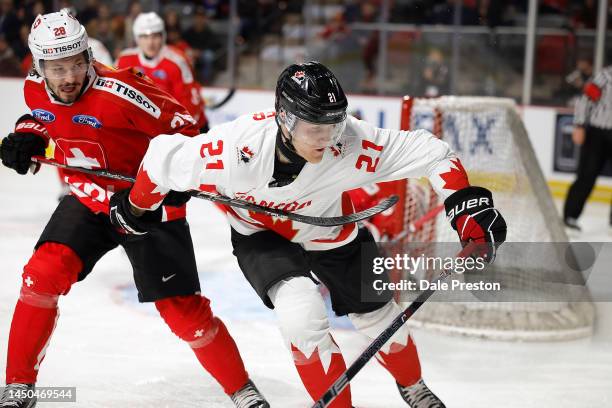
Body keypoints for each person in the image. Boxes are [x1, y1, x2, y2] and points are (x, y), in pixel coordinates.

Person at [112, 61, 507, 408]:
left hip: (331, 229)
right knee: (301, 317)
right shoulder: (232, 150)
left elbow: (432, 152)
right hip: (261, 235)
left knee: (378, 314)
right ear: (284, 118)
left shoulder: (351, 141)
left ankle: (414, 387)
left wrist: (467, 206)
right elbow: (162, 158)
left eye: (333, 125)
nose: (327, 138)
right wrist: (135, 208)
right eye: (314, 127)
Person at [0, 11, 268, 408]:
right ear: (39, 66)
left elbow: (187, 132)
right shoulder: (35, 88)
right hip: (89, 199)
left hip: (147, 203)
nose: (69, 76)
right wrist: (28, 135)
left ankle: (241, 387)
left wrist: (178, 181)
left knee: (184, 314)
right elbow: (47, 120)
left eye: (77, 62)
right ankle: (18, 385)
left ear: (89, 56)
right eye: (57, 68)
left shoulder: (123, 91)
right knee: (42, 276)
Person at [116, 12, 208, 133]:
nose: (150, 43)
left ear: (163, 36)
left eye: (155, 36)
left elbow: (190, 104)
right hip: (150, 128)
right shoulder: (124, 60)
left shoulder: (177, 61)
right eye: (144, 37)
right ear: (137, 38)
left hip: (187, 128)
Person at [563, 64, 612, 233]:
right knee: (587, 175)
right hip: (598, 134)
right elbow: (585, 99)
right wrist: (579, 125)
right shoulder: (606, 76)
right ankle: (570, 216)